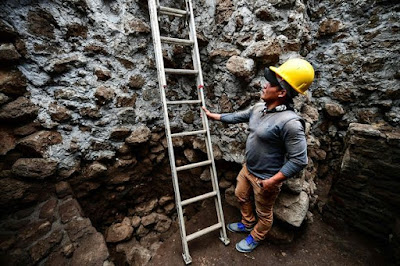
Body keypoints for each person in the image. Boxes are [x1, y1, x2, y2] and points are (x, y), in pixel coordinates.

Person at [202, 58, 315, 253]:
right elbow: (237, 117)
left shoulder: (291, 123)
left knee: (264, 213)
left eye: (271, 83)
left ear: (281, 93)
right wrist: (214, 116)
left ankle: (256, 236)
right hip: (248, 169)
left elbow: (299, 160)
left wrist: (273, 181)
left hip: (266, 178)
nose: (265, 85)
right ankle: (247, 222)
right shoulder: (258, 109)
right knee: (240, 195)